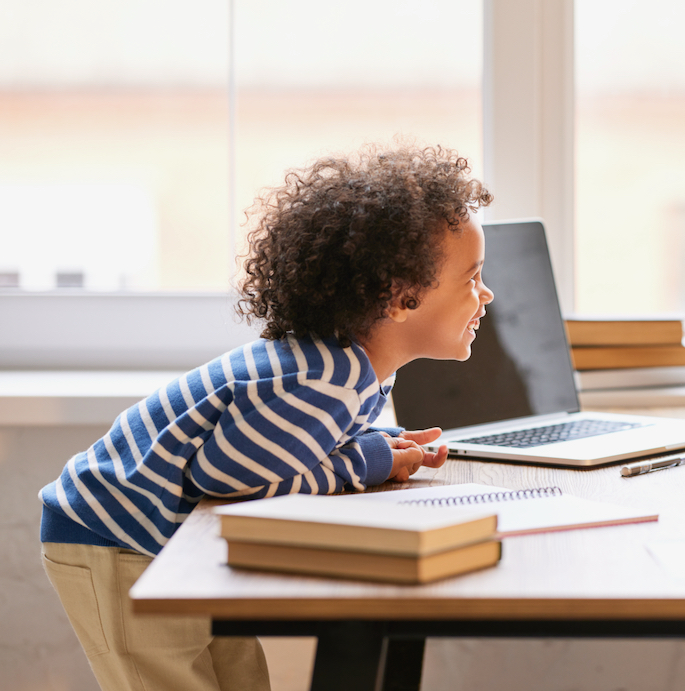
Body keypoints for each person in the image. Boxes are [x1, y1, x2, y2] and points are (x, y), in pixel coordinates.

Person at [38, 142, 494, 691]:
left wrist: (380, 446)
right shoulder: (320, 378)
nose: (486, 294)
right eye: (471, 277)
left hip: (165, 539)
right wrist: (364, 463)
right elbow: (229, 481)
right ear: (399, 297)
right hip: (119, 539)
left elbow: (297, 447)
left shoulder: (347, 366)